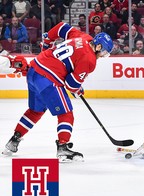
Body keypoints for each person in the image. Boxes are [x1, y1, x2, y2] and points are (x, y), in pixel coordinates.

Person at [2, 22, 113, 162]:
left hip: (34, 70)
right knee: (66, 113)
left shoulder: (84, 37)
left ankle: (13, 141)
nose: (102, 56)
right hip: (49, 79)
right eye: (103, 52)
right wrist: (77, 88)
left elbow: (62, 27)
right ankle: (62, 148)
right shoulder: (90, 60)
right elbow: (71, 84)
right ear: (98, 46)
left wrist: (48, 41)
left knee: (35, 111)